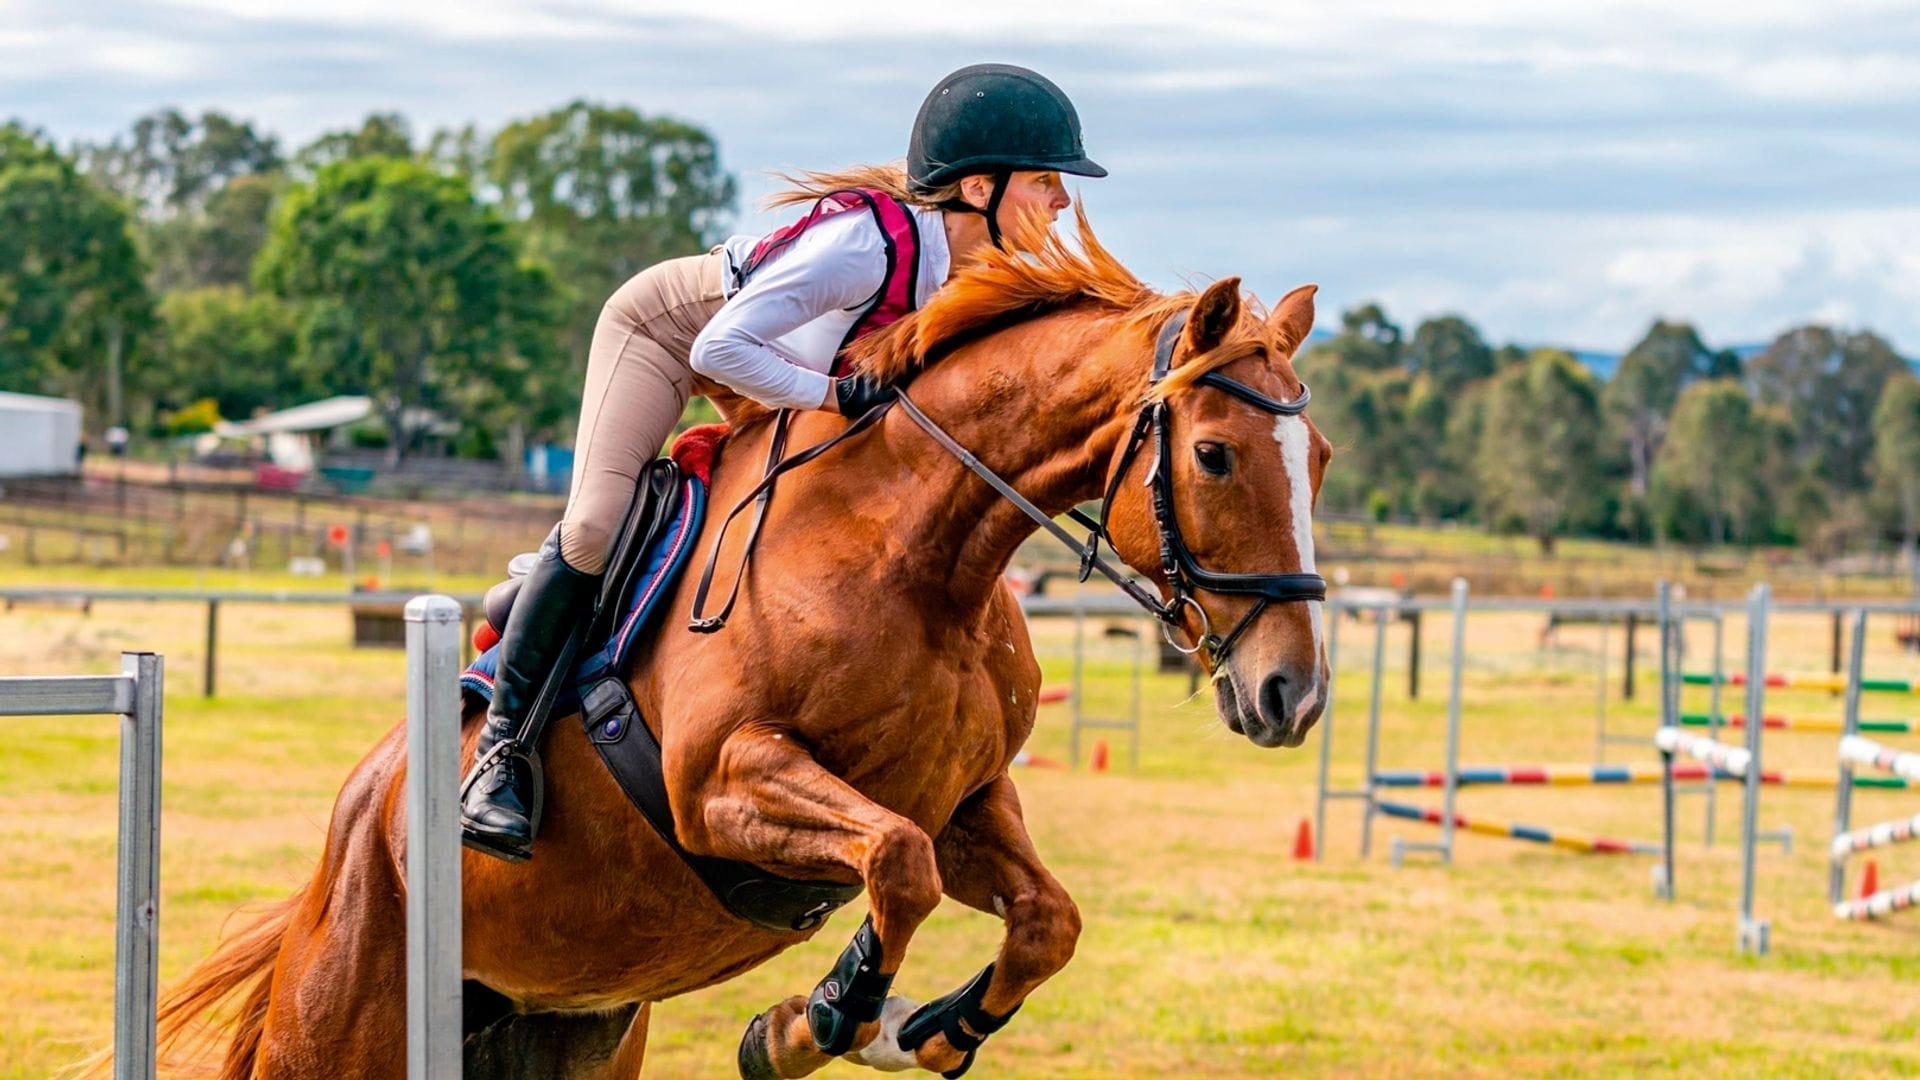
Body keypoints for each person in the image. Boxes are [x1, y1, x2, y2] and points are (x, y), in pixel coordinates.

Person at [461, 62, 1107, 862]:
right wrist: (835, 397)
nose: (1063, 201)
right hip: (674, 331)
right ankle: (501, 753)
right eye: (1046, 180)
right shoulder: (865, 250)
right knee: (595, 525)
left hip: (783, 367)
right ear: (978, 190)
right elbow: (720, 347)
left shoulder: (979, 272)